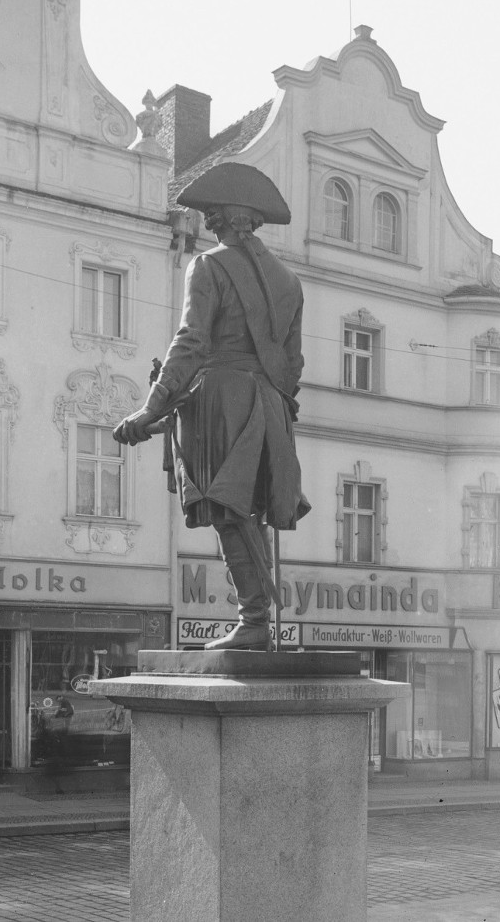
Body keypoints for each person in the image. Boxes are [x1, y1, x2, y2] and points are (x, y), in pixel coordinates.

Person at [114, 163, 309, 650]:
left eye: (209, 217)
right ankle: (257, 619)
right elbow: (293, 362)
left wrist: (149, 410)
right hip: (270, 405)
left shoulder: (208, 265)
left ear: (223, 218)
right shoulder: (289, 280)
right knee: (248, 513)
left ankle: (253, 620)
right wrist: (279, 411)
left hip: (222, 397)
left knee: (227, 510)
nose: (205, 225)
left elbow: (191, 342)